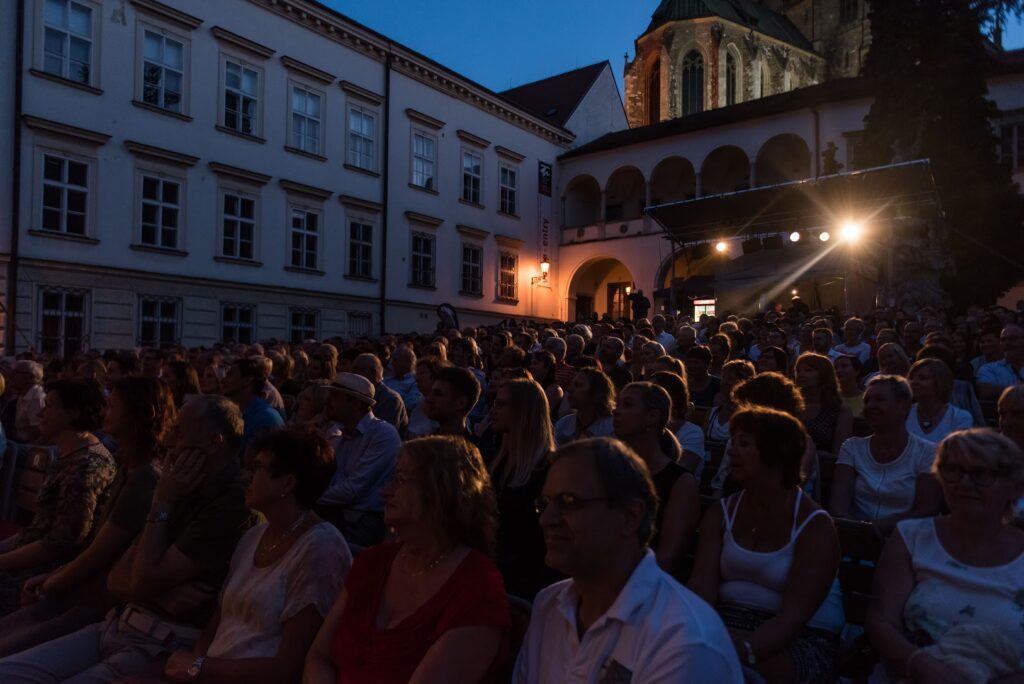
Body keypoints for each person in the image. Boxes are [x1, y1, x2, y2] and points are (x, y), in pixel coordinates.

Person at [0, 395, 254, 683]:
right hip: (116, 625)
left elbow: (137, 579)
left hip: (156, 644)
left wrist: (162, 502)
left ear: (213, 442)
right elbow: (118, 578)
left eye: (180, 432)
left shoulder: (229, 503)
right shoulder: (181, 485)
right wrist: (157, 590)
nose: (171, 441)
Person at [515, 437, 742, 682]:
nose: (546, 519)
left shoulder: (684, 640)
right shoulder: (550, 605)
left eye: (569, 502)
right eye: (545, 503)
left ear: (630, 516)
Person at [304, 436, 510, 683]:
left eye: (400, 479)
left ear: (439, 491)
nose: (385, 490)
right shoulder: (374, 563)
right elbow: (319, 656)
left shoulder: (476, 588)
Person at [0, 377, 174, 656]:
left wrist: (52, 581)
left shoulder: (129, 475)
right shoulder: (124, 464)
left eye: (114, 406)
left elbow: (81, 547)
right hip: (68, 577)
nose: (106, 413)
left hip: (89, 596)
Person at [163, 429, 350, 683]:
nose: (247, 475)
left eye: (258, 468)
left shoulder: (320, 550)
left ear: (287, 483)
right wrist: (196, 665)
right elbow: (217, 623)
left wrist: (198, 667)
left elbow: (288, 666)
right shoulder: (254, 537)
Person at [689, 407, 844, 683]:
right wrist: (700, 635)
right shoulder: (721, 513)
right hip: (728, 623)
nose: (731, 451)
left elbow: (793, 617)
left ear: (776, 453)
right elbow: (702, 589)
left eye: (744, 443)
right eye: (732, 442)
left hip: (800, 637)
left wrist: (741, 650)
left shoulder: (814, 525)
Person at [866, 429, 1024, 683]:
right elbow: (882, 620)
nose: (964, 483)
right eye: (953, 470)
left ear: (1014, 488)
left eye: (981, 474)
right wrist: (923, 667)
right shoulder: (912, 537)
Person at [0, 379, 116, 617]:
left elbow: (62, 543)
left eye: (50, 405)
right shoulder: (69, 455)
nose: (41, 412)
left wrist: (2, 561)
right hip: (28, 562)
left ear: (73, 412)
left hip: (42, 576)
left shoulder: (87, 466)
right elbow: (38, 530)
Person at [830, 376, 944, 532]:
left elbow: (924, 511)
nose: (870, 406)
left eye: (879, 400)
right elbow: (839, 507)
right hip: (854, 540)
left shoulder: (928, 452)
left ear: (903, 406)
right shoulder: (852, 448)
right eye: (867, 401)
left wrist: (871, 530)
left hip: (906, 539)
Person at [614, 382, 699, 576]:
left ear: (652, 417)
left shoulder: (680, 483)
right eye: (617, 404)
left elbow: (667, 559)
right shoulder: (610, 470)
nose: (616, 411)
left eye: (627, 405)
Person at [489, 378, 561, 598]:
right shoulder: (499, 462)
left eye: (501, 404)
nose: (494, 410)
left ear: (523, 412)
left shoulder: (547, 469)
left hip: (526, 582)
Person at [316, 373, 401, 548]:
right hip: (338, 512)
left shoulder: (383, 434)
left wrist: (305, 495)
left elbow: (352, 491)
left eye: (335, 396)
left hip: (363, 520)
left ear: (354, 403)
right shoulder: (340, 434)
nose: (328, 402)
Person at [794, 353, 854, 454]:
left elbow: (839, 452)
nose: (801, 374)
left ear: (823, 375)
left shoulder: (840, 411)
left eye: (808, 370)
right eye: (798, 371)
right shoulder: (791, 406)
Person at [650, 371, 706, 476]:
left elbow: (682, 470)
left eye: (654, 391)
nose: (647, 396)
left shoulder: (692, 432)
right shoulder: (642, 426)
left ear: (671, 396)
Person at [222, 358, 285, 452]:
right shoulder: (228, 411)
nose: (223, 380)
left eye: (230, 375)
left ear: (247, 380)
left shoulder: (266, 419)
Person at [906, 358, 973, 443]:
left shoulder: (960, 418)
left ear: (939, 382)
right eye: (911, 378)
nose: (914, 382)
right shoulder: (904, 414)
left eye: (922, 378)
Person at [553, 367, 615, 446]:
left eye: (578, 385)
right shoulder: (563, 424)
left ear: (596, 393)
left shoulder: (611, 428)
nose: (570, 389)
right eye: (571, 384)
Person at [353, 353, 409, 437]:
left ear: (373, 373)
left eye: (358, 370)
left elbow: (383, 435)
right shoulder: (358, 394)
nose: (353, 374)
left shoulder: (390, 399)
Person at [422, 366, 481, 442]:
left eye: (438, 394)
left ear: (461, 403)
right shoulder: (424, 447)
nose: (429, 398)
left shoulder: (479, 451)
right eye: (431, 392)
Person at [704, 360, 756, 444]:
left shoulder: (749, 417)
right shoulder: (711, 413)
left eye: (730, 378)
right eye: (723, 377)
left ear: (743, 382)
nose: (724, 381)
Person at [976, 323, 1024, 400]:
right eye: (1003, 339)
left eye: (1013, 338)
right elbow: (986, 391)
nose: (1007, 342)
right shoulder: (988, 369)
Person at [408, 356, 445, 438]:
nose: (417, 378)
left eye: (422, 373)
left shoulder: (444, 407)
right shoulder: (417, 407)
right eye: (417, 374)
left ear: (435, 375)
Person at [12, 360, 46, 443]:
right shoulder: (23, 394)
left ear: (30, 377)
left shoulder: (36, 397)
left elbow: (37, 431)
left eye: (16, 372)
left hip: (28, 446)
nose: (12, 375)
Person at [383, 345, 422, 414]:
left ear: (408, 362)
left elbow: (408, 406)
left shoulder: (415, 382)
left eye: (395, 360)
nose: (392, 363)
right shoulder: (387, 379)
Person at [528, 350, 564, 421]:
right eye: (531, 363)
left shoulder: (554, 389)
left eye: (536, 363)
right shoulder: (531, 386)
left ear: (547, 368)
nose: (531, 367)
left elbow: (541, 413)